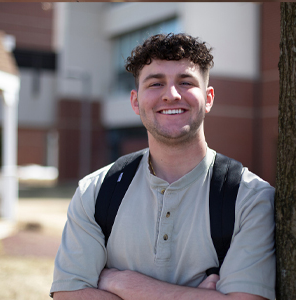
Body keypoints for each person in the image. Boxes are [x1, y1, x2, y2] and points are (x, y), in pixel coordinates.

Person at [50, 33, 275, 300]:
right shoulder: (96, 191)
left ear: (209, 97)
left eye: (185, 82)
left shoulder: (250, 198)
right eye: (156, 83)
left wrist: (124, 284)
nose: (171, 94)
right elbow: (69, 294)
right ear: (135, 101)